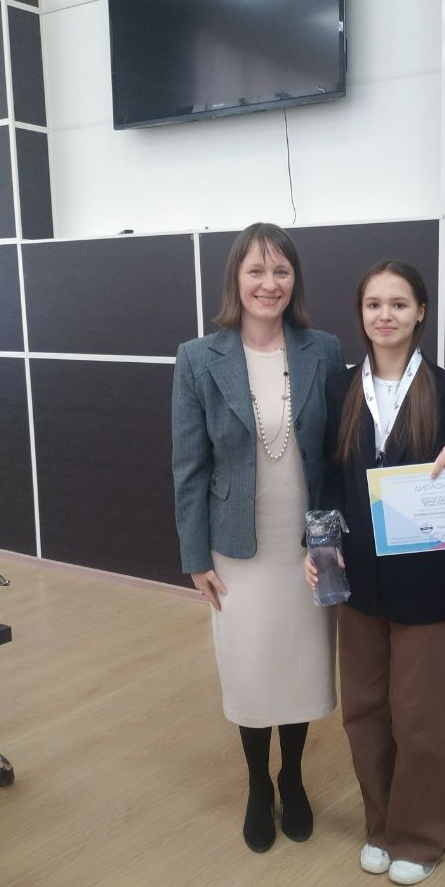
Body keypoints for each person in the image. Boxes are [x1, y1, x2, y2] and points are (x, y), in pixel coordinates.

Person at [306, 260, 445, 885]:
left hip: (430, 586)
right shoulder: (339, 390)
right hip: (359, 583)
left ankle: (420, 837)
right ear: (361, 314)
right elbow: (328, 477)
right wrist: (322, 545)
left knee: (421, 719)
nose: (386, 315)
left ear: (420, 313)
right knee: (365, 712)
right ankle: (380, 826)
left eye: (399, 304)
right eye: (374, 304)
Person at [172, 222, 343, 853]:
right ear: (235, 280)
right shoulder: (198, 357)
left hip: (307, 546)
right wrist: (194, 557)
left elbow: (338, 451)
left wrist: (333, 542)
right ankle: (256, 784)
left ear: (295, 280)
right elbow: (189, 467)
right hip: (235, 549)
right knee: (249, 669)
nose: (269, 284)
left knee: (299, 667)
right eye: (256, 271)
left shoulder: (323, 349)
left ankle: (292, 777)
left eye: (281, 271)